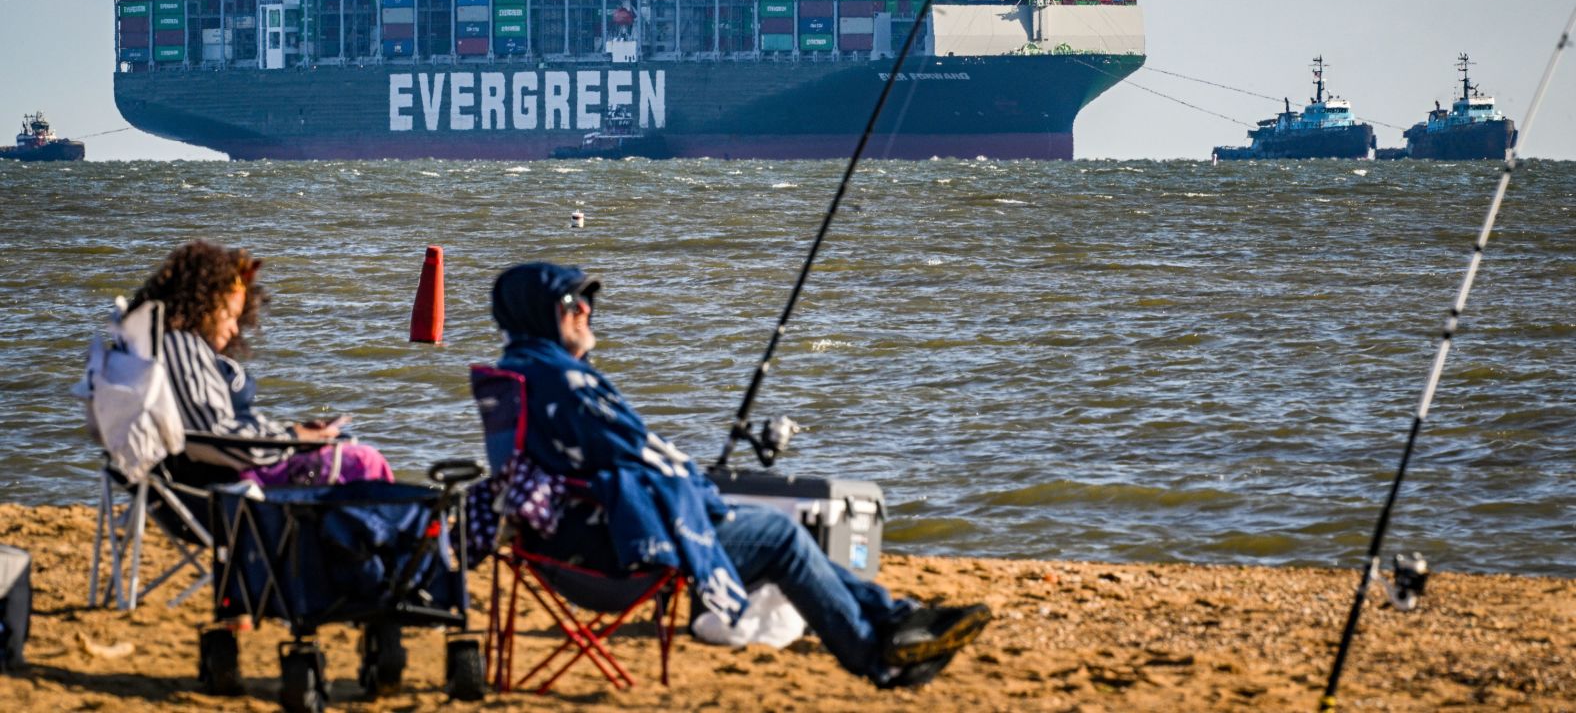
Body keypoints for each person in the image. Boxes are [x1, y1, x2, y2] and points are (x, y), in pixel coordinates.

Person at [483, 261, 990, 689]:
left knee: (763, 528)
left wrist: (691, 487)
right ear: (541, 314)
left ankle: (895, 620)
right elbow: (643, 457)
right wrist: (698, 487)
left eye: (586, 300)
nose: (587, 310)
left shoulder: (523, 372)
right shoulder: (564, 383)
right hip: (618, 552)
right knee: (778, 534)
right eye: (572, 302)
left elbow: (620, 459)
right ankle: (877, 657)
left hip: (563, 547)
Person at [127, 240, 392, 486]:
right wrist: (292, 439)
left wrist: (290, 433)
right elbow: (216, 437)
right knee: (365, 460)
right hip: (238, 481)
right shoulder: (177, 346)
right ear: (202, 304)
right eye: (230, 316)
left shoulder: (160, 347)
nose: (234, 330)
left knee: (345, 446)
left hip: (234, 466)